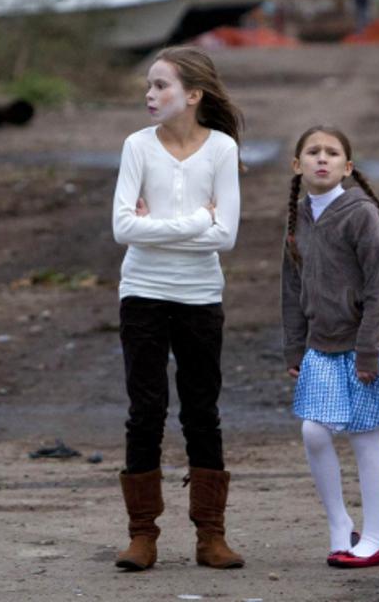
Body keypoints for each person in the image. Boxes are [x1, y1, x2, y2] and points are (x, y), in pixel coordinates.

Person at [110, 46, 245, 572]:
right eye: (149, 85)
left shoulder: (222, 149)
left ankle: (212, 536)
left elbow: (226, 236)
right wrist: (195, 222)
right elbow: (123, 228)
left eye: (161, 85)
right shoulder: (136, 146)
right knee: (145, 412)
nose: (150, 94)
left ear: (193, 95)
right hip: (141, 292)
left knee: (201, 412)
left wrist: (154, 229)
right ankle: (141, 536)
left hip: (200, 297)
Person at [280, 125, 379, 569]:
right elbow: (291, 287)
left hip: (367, 341)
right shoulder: (297, 218)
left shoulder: (361, 214)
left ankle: (375, 538)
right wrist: (294, 347)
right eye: (313, 152)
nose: (322, 158)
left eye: (332, 153)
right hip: (322, 344)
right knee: (313, 432)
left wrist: (369, 352)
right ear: (297, 165)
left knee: (365, 437)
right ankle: (339, 525)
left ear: (347, 167)